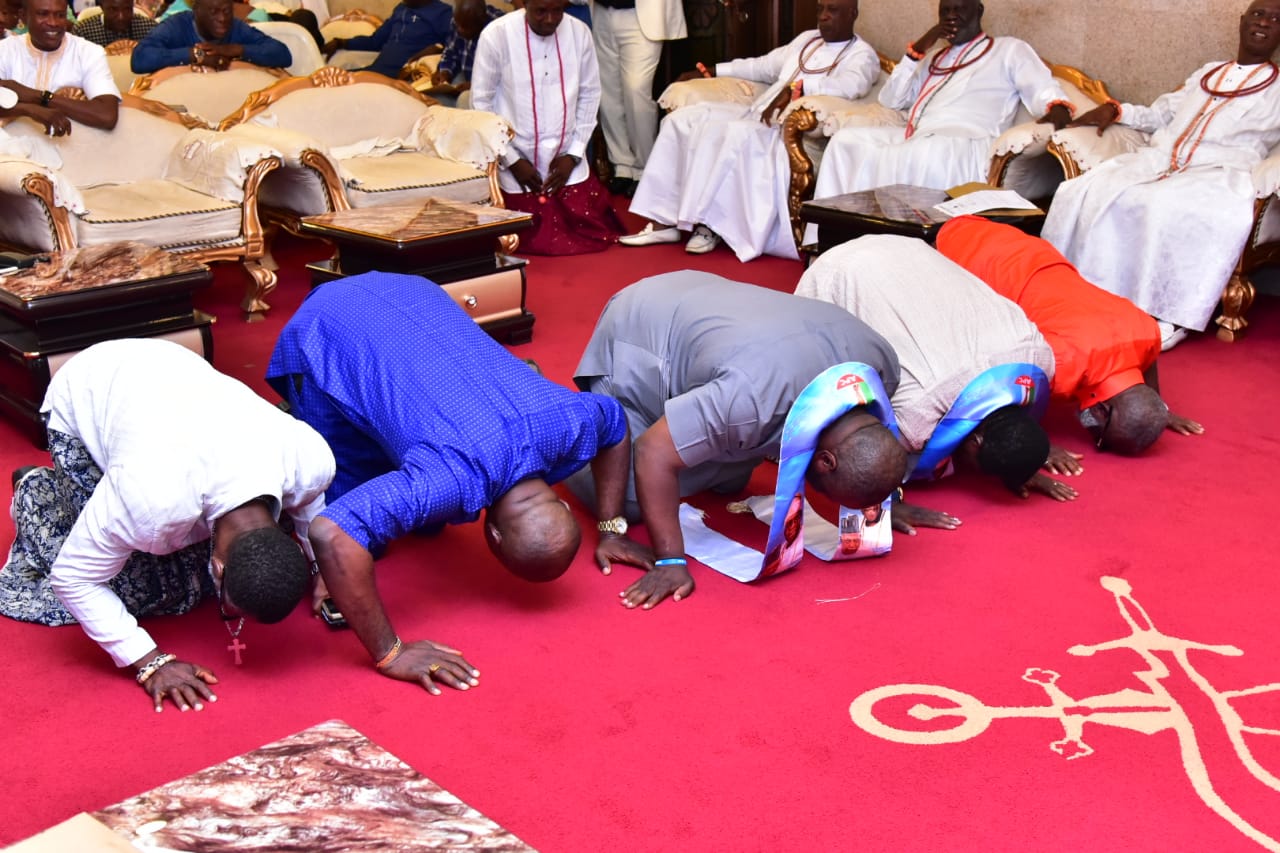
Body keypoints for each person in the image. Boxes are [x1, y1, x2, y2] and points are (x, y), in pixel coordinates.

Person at [267, 272, 647, 695]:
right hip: (327, 322)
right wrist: (389, 651)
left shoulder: (566, 425)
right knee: (344, 473)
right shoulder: (450, 477)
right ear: (496, 536)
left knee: (415, 508)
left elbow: (613, 420)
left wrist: (612, 526)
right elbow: (331, 531)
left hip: (413, 288)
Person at [0, 339, 336, 713]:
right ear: (220, 568)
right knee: (140, 592)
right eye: (231, 610)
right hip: (87, 389)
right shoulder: (149, 499)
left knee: (183, 575)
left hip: (169, 379)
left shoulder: (309, 459)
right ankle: (38, 493)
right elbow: (73, 578)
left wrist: (320, 565)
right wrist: (148, 661)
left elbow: (307, 504)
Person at [570, 270, 909, 610]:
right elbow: (651, 451)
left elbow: (873, 441)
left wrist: (883, 496)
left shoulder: (879, 366)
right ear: (825, 461)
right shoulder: (750, 401)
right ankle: (550, 424)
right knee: (633, 499)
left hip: (710, 302)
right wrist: (670, 560)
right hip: (642, 325)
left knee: (728, 480)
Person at [1040, 0, 1280, 349]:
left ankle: (1167, 316)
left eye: (1276, 19)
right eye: (1258, 14)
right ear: (1242, 21)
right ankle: (1070, 293)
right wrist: (1115, 109)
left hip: (1219, 173)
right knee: (1083, 188)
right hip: (1159, 160)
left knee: (1163, 203)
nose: (1265, 23)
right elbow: (1161, 113)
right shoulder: (1208, 73)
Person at [796, 234, 1074, 522]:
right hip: (838, 272)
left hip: (908, 246)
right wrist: (886, 503)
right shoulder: (918, 414)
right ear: (975, 442)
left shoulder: (1038, 356)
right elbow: (868, 455)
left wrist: (1024, 457)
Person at [620, 0, 878, 260]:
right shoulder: (808, 40)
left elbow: (850, 86)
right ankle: (663, 221)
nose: (823, 16)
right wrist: (712, 70)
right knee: (682, 120)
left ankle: (708, 225)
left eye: (832, 10)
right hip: (756, 112)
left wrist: (797, 90)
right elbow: (762, 66)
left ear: (852, 14)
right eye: (820, 9)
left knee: (729, 133)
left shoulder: (862, 55)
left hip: (780, 128)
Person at [936, 215, 1205, 455]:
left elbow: (1150, 357)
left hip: (1036, 253)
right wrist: (1035, 446)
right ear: (1101, 411)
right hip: (979, 261)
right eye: (1100, 439)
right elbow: (998, 387)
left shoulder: (1147, 333)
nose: (1093, 436)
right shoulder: (1059, 367)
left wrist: (1154, 410)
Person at [810, 0, 1072, 213]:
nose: (952, 16)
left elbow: (1044, 90)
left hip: (967, 141)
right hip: (919, 135)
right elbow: (891, 100)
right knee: (845, 141)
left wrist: (1056, 109)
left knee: (927, 150)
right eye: (945, 11)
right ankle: (832, 239)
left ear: (978, 11)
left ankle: (907, 250)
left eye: (959, 9)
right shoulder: (934, 57)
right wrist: (920, 48)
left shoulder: (1009, 49)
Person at [470, 0, 624, 254]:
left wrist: (573, 155)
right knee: (515, 237)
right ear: (523, 4)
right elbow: (480, 103)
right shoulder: (497, 35)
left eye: (557, 11)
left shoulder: (579, 32)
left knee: (592, 232)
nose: (550, 19)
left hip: (565, 158)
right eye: (541, 11)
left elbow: (590, 94)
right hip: (514, 155)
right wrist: (511, 160)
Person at [591, 0, 686, 196]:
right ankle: (622, 166)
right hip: (602, 11)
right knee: (608, 94)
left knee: (636, 91)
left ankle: (644, 169)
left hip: (640, 14)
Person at [0, 0, 119, 134]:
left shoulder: (88, 53)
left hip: (71, 149)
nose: (53, 22)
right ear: (23, 16)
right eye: (43, 14)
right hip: (10, 149)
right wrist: (30, 110)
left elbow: (106, 115)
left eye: (60, 15)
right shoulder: (5, 50)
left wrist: (39, 97)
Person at [131, 0, 291, 73]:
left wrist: (234, 50)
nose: (222, 18)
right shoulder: (176, 25)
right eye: (214, 12)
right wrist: (197, 55)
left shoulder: (236, 27)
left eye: (227, 11)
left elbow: (282, 54)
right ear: (197, 11)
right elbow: (140, 59)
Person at [322, 0, 451, 79]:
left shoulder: (442, 13)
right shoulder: (401, 9)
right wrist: (341, 42)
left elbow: (452, 50)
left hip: (403, 80)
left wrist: (435, 50)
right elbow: (375, 41)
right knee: (326, 79)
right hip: (375, 73)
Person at [426, 0, 501, 106]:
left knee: (463, 100)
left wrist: (475, 85)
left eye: (465, 27)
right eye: (458, 25)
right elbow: (451, 51)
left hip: (491, 91)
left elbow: (506, 75)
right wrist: (444, 72)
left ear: (481, 20)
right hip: (466, 80)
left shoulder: (498, 28)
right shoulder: (459, 20)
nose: (460, 30)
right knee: (435, 99)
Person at [72, 0, 155, 46]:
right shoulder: (82, 32)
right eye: (113, 10)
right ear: (102, 7)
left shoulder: (149, 28)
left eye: (127, 9)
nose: (121, 17)